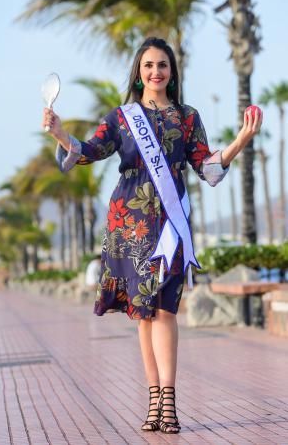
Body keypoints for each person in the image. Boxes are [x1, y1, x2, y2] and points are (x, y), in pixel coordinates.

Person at [42, 37, 262, 434]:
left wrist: (240, 142)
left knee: (165, 308)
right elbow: (90, 151)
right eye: (148, 66)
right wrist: (60, 134)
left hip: (171, 223)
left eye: (163, 65)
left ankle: (170, 401)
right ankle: (154, 399)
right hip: (130, 221)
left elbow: (208, 169)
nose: (156, 72)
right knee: (143, 313)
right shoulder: (122, 117)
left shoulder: (188, 117)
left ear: (172, 72)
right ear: (139, 73)